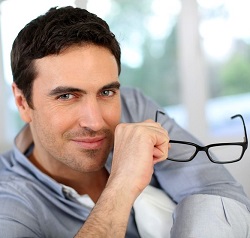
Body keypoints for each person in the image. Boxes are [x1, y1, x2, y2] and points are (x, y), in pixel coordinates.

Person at [0, 6, 250, 238]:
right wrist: (122, 184)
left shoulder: (132, 107)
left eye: (106, 92)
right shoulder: (9, 201)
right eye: (66, 96)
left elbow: (219, 191)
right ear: (23, 103)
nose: (95, 122)